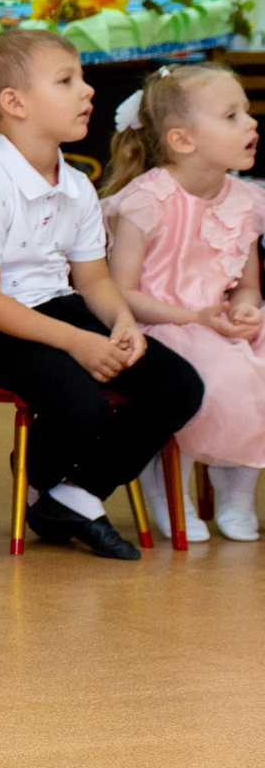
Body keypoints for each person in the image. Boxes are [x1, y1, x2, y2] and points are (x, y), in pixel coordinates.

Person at [0, 29, 204, 560]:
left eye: (81, 79)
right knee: (81, 404)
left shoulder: (77, 184)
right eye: (67, 81)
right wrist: (78, 344)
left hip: (57, 309)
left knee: (177, 385)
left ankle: (74, 493)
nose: (87, 91)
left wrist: (121, 323)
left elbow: (95, 280)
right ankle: (43, 473)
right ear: (14, 104)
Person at [101, 63, 265, 542]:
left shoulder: (247, 200)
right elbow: (120, 293)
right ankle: (165, 485)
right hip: (162, 322)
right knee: (215, 376)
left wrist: (246, 308)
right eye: (231, 115)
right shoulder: (147, 200)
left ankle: (237, 489)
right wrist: (196, 317)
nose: (251, 124)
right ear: (182, 140)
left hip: (217, 319)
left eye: (248, 112)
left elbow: (247, 283)